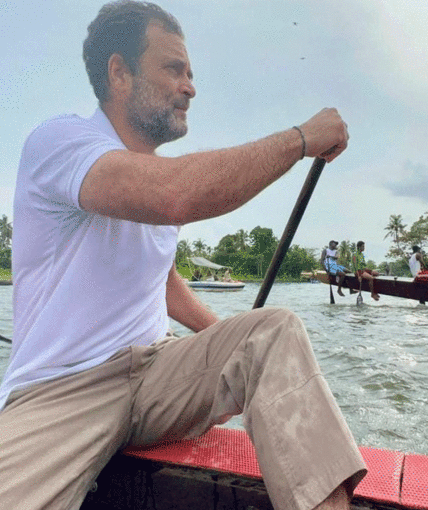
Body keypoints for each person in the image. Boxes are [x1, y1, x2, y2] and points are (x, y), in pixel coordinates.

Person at [0, 3, 366, 509]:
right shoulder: (61, 143)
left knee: (271, 331)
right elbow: (178, 195)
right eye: (174, 70)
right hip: (62, 390)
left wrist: (229, 351)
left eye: (191, 74)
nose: (190, 87)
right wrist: (300, 140)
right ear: (119, 72)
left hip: (155, 375)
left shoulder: (152, 177)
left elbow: (163, 282)